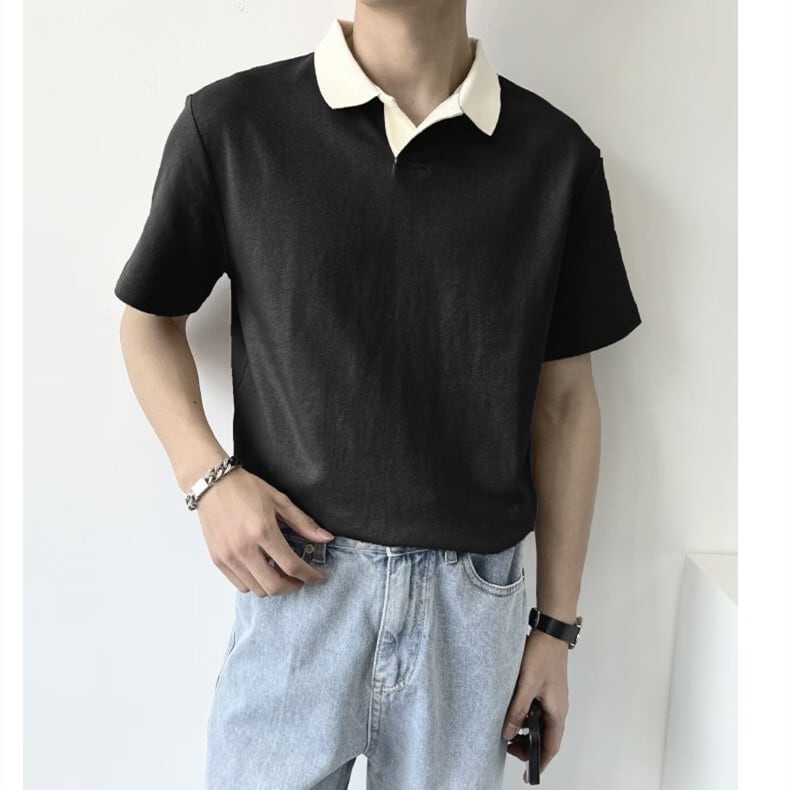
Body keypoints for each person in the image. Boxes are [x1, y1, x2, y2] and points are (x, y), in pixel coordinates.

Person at [114, 3, 641, 788]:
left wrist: (555, 630)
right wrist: (207, 480)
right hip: (296, 585)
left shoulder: (555, 159)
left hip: (471, 611)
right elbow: (149, 322)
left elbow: (564, 403)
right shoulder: (234, 126)